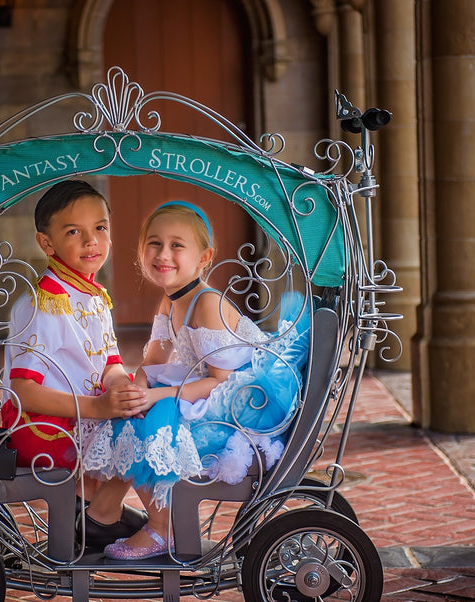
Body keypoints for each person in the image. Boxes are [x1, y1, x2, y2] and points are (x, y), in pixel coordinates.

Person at [81, 201, 310, 560]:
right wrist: (137, 389)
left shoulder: (205, 304)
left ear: (204, 258)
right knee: (131, 404)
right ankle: (106, 509)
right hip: (212, 390)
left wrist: (158, 397)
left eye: (177, 245)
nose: (163, 254)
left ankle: (161, 528)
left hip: (246, 404)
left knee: (154, 414)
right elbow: (153, 361)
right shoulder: (170, 302)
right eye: (154, 244)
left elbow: (221, 380)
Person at [1, 179, 148, 548]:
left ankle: (94, 507)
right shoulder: (45, 302)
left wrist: (120, 386)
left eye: (100, 228)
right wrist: (99, 405)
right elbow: (23, 392)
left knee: (144, 406)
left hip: (81, 413)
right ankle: (126, 518)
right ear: (46, 243)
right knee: (146, 432)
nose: (91, 241)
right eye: (74, 232)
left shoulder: (93, 294)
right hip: (44, 424)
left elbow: (110, 364)